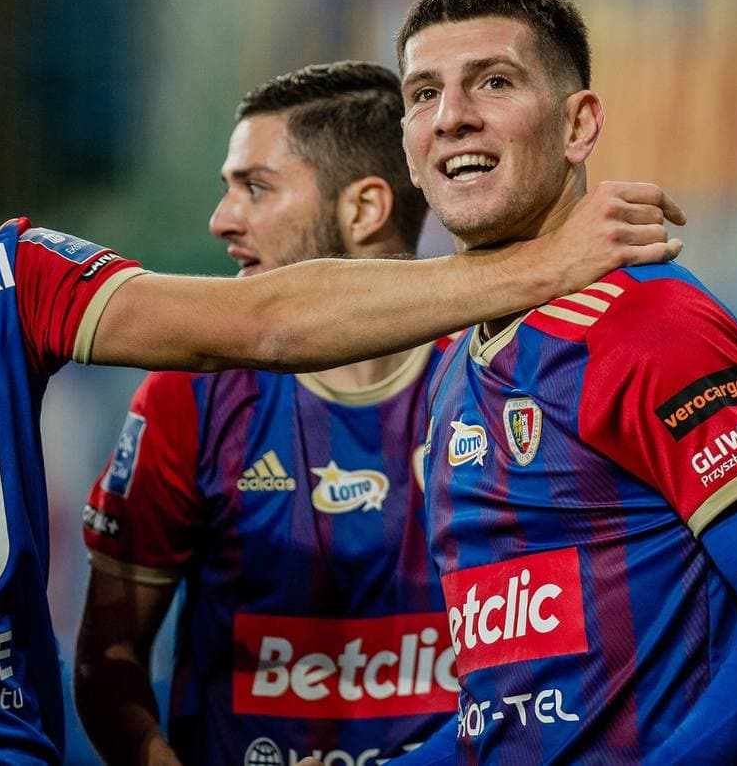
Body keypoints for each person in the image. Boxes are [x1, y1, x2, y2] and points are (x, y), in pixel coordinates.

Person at [0, 0, 683, 764]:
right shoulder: (8, 274)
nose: (224, 220)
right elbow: (259, 324)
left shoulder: (522, 370)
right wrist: (545, 262)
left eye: (255, 188)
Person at [387, 0, 737, 764]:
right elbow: (502, 716)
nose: (451, 116)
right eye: (424, 93)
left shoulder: (652, 324)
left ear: (579, 125)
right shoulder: (452, 367)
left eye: (493, 82)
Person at [76, 61, 476, 766]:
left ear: (364, 209)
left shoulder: (488, 388)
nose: (221, 219)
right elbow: (108, 662)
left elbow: (543, 673)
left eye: (255, 188)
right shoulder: (188, 397)